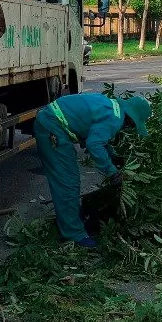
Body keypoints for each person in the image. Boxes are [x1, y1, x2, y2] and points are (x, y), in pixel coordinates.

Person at [32, 93, 151, 247]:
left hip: (51, 121)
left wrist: (112, 156)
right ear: (131, 120)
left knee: (69, 180)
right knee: (67, 182)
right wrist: (113, 172)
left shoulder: (113, 107)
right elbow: (94, 144)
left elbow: (95, 133)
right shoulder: (115, 120)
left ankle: (71, 221)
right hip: (52, 127)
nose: (129, 128)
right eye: (133, 126)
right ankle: (73, 234)